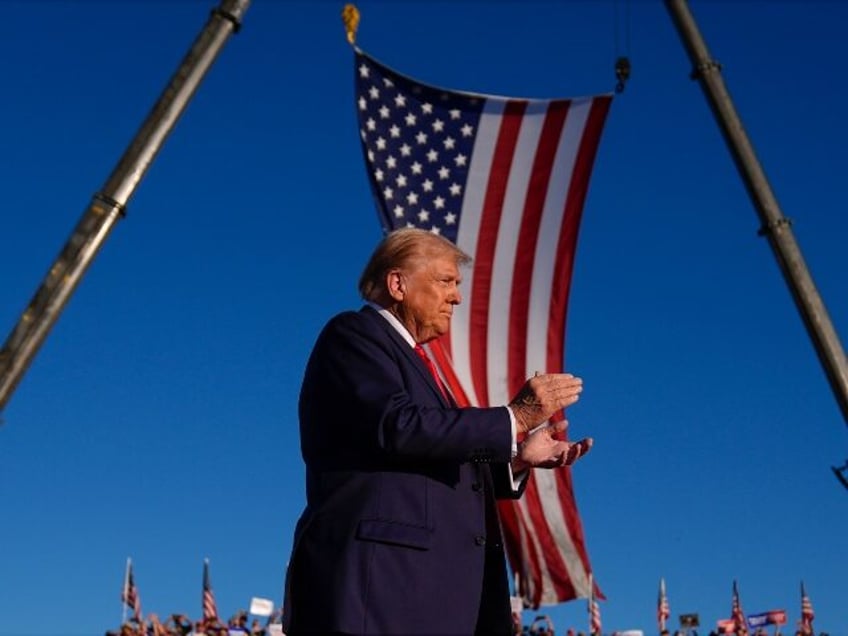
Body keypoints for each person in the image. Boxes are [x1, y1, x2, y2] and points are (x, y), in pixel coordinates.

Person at [283, 228, 593, 635]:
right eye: (446, 281)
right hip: (380, 594)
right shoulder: (354, 336)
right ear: (398, 284)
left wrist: (515, 457)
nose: (457, 297)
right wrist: (513, 417)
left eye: (457, 285)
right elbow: (399, 427)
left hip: (434, 599)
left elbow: (429, 452)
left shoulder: (422, 365)